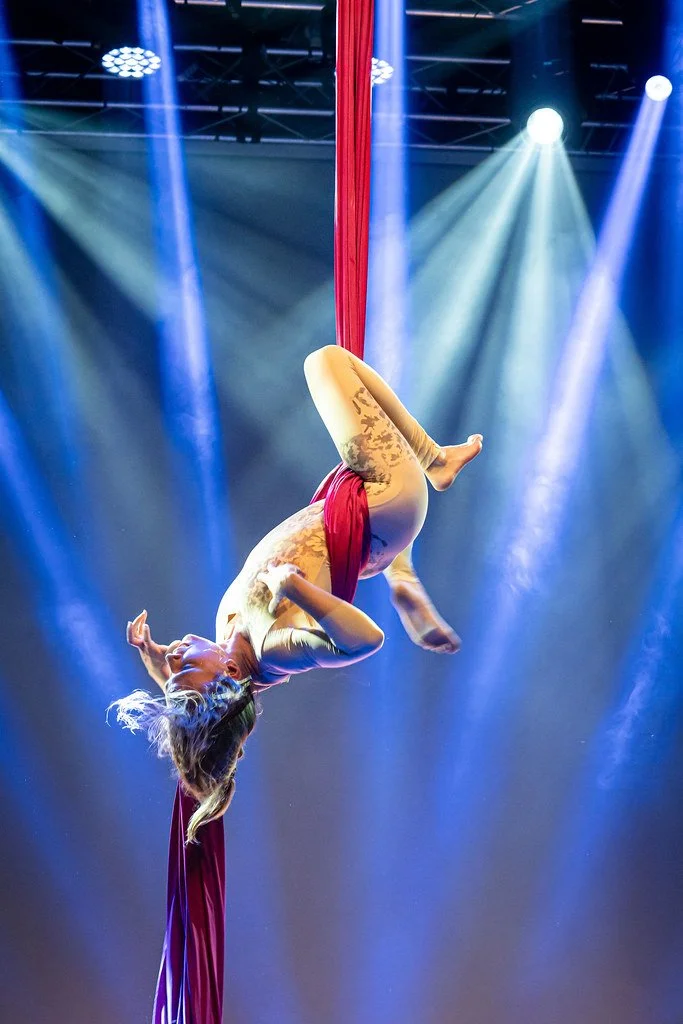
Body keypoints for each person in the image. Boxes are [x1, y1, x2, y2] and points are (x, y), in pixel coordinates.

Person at [109, 345, 483, 842]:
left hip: (361, 535)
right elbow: (365, 641)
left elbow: (207, 705)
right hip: (387, 498)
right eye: (183, 670)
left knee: (355, 462)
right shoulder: (274, 649)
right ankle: (434, 461)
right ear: (228, 675)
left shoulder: (229, 648)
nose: (176, 655)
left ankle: (401, 572)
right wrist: (297, 590)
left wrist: (160, 669)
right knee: (325, 363)